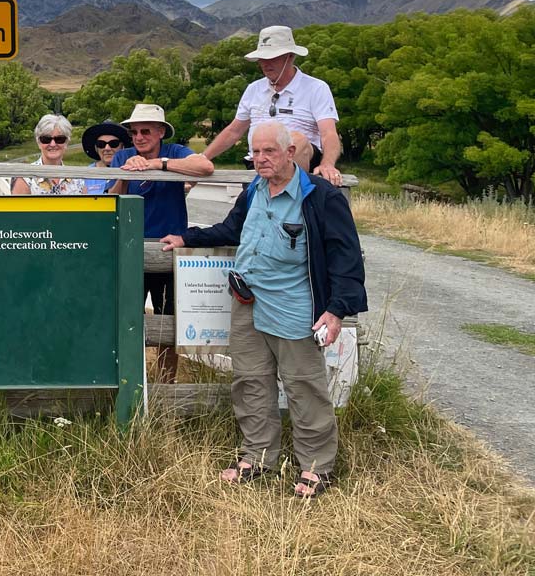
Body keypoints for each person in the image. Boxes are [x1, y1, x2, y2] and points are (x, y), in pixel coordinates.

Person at [159, 122, 366, 499]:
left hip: (293, 308)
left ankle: (316, 467)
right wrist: (188, 237)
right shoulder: (253, 189)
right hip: (247, 304)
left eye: (269, 151)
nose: (260, 159)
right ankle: (257, 458)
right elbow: (232, 229)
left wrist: (336, 311)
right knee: (250, 381)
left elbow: (346, 259)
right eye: (255, 152)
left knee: (304, 387)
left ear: (291, 153)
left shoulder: (320, 197)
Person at [106, 103, 214, 381]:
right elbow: (112, 195)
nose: (139, 137)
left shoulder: (175, 152)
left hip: (168, 250)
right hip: (130, 249)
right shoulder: (124, 156)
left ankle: (167, 384)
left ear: (160, 133)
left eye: (146, 131)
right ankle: (129, 380)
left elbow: (205, 165)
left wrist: (157, 165)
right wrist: (126, 173)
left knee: (170, 321)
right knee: (126, 319)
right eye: (134, 132)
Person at [201, 26, 344, 186]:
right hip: (258, 164)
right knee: (261, 153)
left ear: (290, 57)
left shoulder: (316, 88)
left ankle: (283, 194)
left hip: (304, 163)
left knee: (296, 140)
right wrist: (203, 158)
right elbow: (234, 131)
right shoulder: (254, 89)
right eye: (262, 59)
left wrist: (327, 164)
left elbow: (329, 133)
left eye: (272, 58)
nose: (266, 64)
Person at [12, 114, 84, 195]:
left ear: (66, 142)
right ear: (38, 142)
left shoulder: (78, 180)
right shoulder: (25, 179)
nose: (53, 144)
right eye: (46, 139)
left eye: (59, 139)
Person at [80, 118, 130, 195]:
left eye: (113, 143)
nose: (107, 148)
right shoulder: (86, 174)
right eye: (101, 144)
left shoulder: (131, 169)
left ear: (122, 146)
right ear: (96, 148)